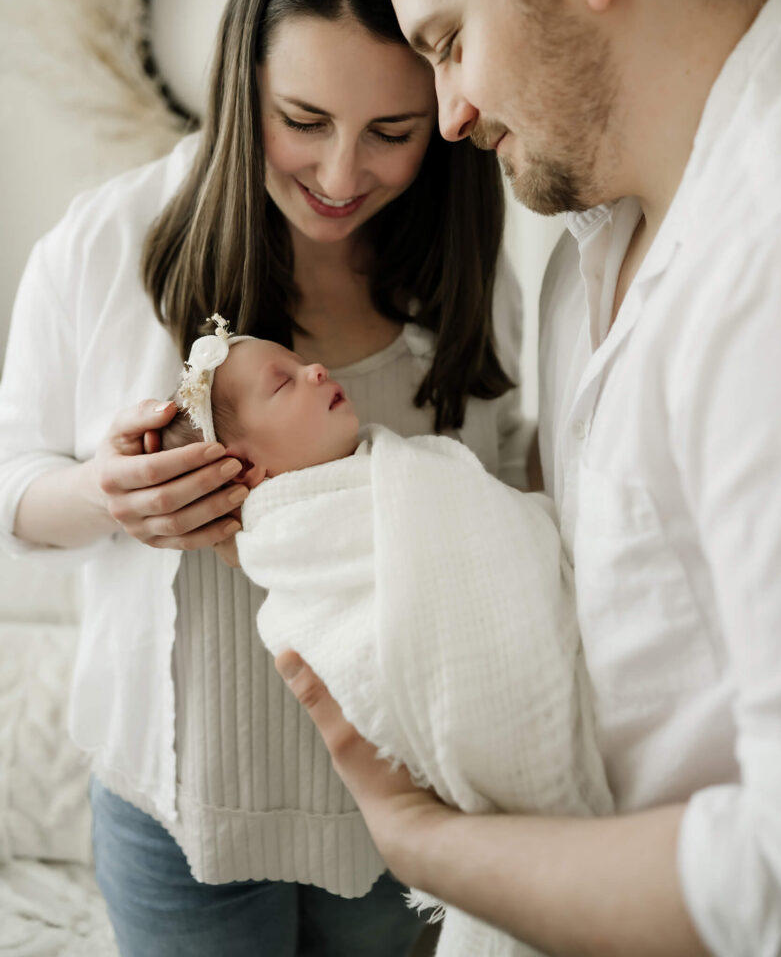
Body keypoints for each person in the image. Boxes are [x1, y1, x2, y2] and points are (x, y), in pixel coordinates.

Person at [273, 0, 781, 957]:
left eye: (449, 40)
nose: (448, 113)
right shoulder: (580, 255)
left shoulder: (775, 267)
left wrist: (418, 842)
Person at [0, 0, 533, 957]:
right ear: (240, 85)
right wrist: (101, 497)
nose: (342, 177)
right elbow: (13, 492)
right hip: (172, 813)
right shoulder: (106, 245)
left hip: (405, 818)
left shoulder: (475, 286)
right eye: (302, 122)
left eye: (392, 131)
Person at [166, 315, 612, 957]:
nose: (315, 369)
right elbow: (352, 633)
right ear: (247, 469)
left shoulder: (399, 465)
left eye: (301, 361)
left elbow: (489, 521)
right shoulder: (298, 546)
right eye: (283, 383)